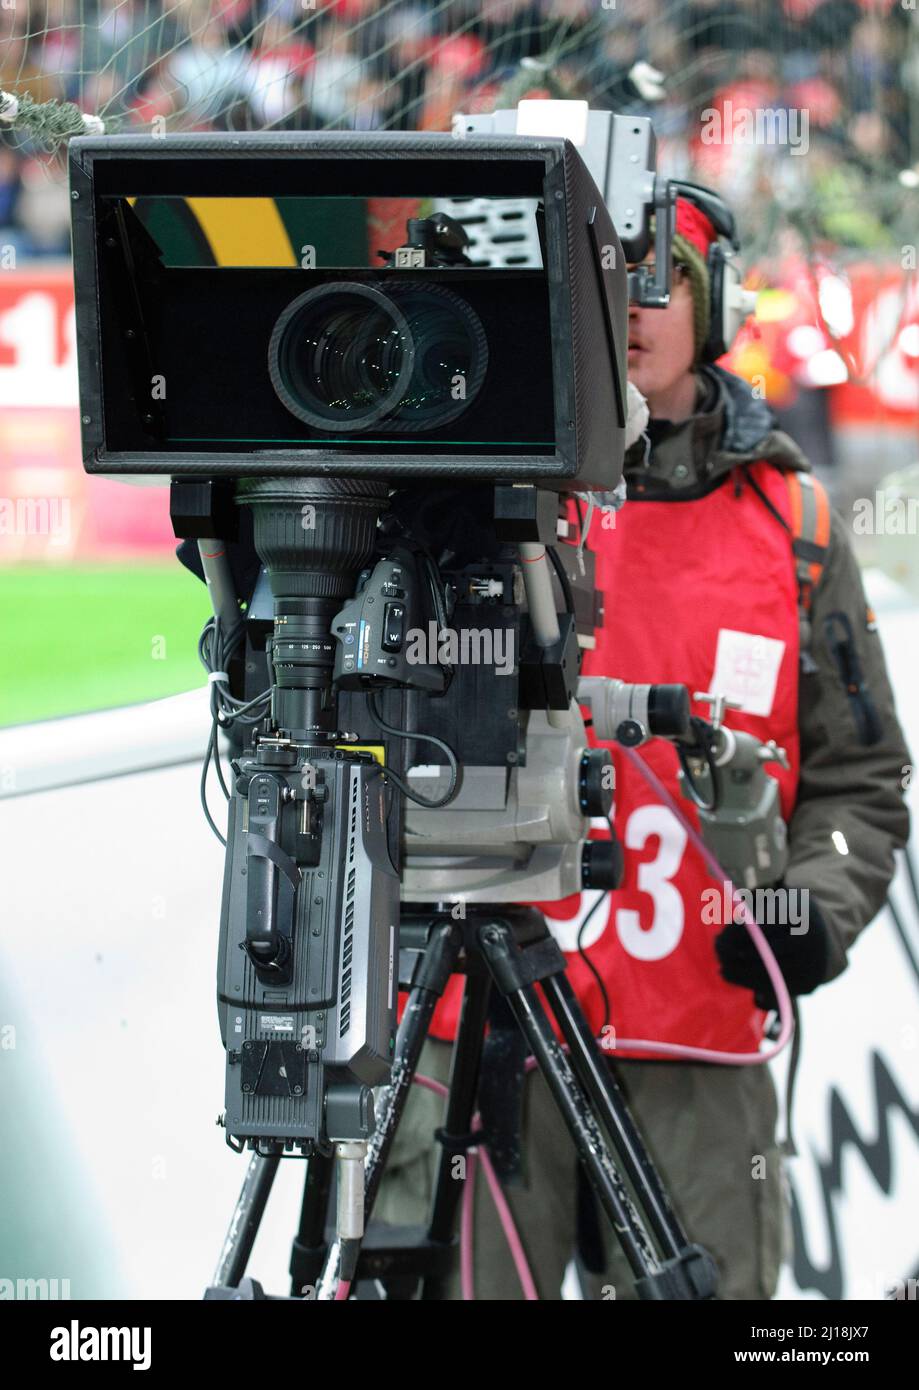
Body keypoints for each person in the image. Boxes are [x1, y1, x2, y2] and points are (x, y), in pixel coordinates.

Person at [371, 190, 912, 1300]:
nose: (627, 304)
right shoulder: (470, 503)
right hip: (487, 1033)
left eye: (659, 276)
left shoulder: (795, 524)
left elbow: (862, 778)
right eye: (599, 276)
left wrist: (811, 905)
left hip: (699, 1048)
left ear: (714, 307)